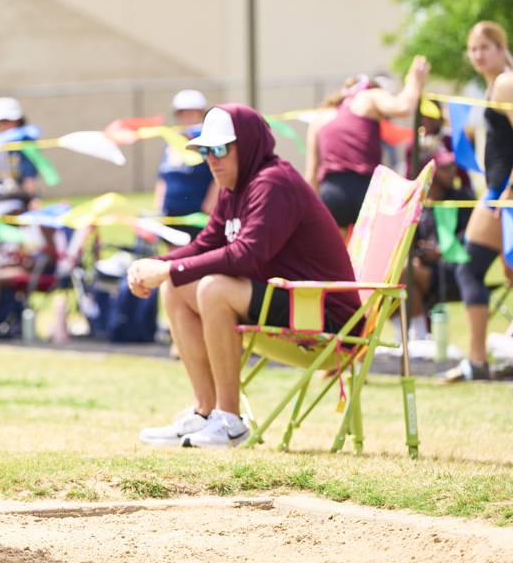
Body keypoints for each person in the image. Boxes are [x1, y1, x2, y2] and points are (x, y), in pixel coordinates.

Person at [127, 105, 359, 448]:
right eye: (206, 151)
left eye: (220, 149)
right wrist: (156, 265)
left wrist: (169, 268)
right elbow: (207, 243)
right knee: (176, 287)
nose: (212, 160)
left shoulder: (273, 182)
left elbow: (247, 255)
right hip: (287, 302)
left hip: (325, 315)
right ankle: (206, 413)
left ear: (248, 144)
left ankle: (231, 422)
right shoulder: (233, 187)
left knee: (213, 289)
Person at [442, 22, 513, 381]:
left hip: (504, 192)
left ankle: (477, 361)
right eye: (473, 48)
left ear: (502, 48)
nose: (478, 54)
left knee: (469, 268)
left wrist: (508, 191)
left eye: (485, 46)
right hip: (499, 190)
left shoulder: (505, 82)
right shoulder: (494, 85)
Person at [305, 56, 430, 232]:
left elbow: (311, 175)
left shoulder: (320, 116)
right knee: (371, 256)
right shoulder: (368, 96)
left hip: (330, 194)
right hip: (364, 191)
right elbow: (404, 107)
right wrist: (415, 80)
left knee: (333, 257)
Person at [405, 147, 471, 347]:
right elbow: (411, 244)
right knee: (405, 272)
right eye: (445, 168)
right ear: (431, 173)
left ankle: (418, 336)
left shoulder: (463, 200)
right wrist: (422, 253)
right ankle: (420, 339)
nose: (452, 172)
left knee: (405, 273)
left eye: (453, 166)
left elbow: (470, 240)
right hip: (428, 271)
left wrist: (443, 250)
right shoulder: (419, 205)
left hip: (458, 272)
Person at [154, 89, 218, 244]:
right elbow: (164, 176)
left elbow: (217, 174)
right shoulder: (172, 141)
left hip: (197, 215)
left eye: (192, 113)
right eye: (182, 113)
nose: (187, 117)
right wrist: (158, 206)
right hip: (171, 213)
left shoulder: (207, 140)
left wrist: (210, 206)